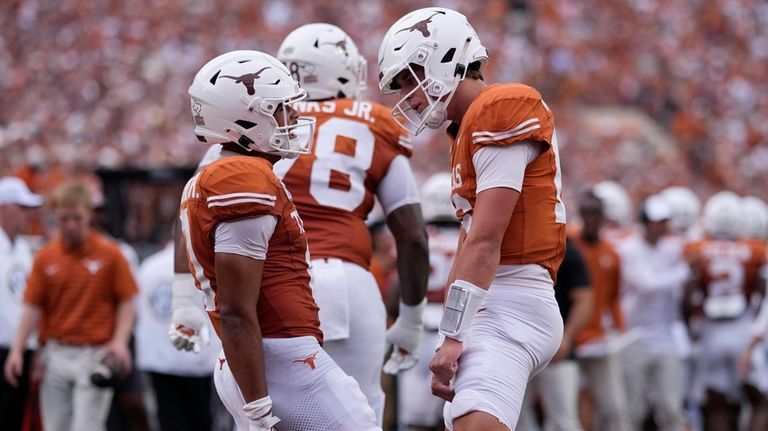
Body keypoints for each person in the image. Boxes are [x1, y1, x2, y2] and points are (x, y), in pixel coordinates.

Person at [172, 26, 430, 424]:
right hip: (332, 285)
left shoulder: (226, 154)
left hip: (279, 289)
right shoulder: (253, 158)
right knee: (357, 408)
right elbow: (411, 234)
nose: (295, 116)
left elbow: (189, 223)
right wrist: (412, 318)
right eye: (285, 107)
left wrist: (185, 301)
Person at [378, 7, 567, 430]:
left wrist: (452, 336)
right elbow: (469, 238)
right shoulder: (465, 125)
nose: (408, 93)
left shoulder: (501, 107)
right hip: (496, 300)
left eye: (410, 77)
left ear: (443, 57)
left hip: (513, 299)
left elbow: (485, 239)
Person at [3, 179, 137, 431]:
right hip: (56, 352)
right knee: (55, 427)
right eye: (64, 219)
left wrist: (120, 341)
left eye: (77, 218)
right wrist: (18, 350)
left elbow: (127, 301)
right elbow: (32, 306)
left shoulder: (111, 254)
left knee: (87, 426)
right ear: (55, 217)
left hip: (94, 352)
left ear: (89, 214)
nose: (71, 225)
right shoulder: (45, 257)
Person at [684, 191, 768, 431]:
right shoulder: (754, 249)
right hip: (742, 329)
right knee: (760, 401)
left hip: (711, 332)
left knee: (717, 405)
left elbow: (689, 294)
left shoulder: (697, 248)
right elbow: (760, 292)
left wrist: (693, 324)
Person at [616, 195, 689, 431]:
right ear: (645, 222)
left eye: (664, 221)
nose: (661, 226)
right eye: (656, 221)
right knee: (633, 408)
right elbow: (646, 285)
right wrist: (683, 273)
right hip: (634, 335)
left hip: (664, 335)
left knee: (670, 407)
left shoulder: (671, 250)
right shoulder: (629, 249)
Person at [396, 172, 461, 431]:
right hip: (457, 331)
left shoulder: (418, 237)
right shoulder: (469, 238)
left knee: (415, 421)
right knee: (454, 417)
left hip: (419, 328)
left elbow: (397, 287)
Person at [135, 242, 223, 431]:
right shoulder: (204, 266)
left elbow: (139, 312)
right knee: (200, 419)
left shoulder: (149, 266)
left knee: (168, 419)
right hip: (196, 358)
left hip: (158, 359)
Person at [571, 189, 632, 431]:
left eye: (596, 213)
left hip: (598, 337)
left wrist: (618, 328)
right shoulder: (568, 244)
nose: (592, 219)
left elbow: (613, 297)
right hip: (570, 337)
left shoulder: (611, 253)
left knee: (615, 407)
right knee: (572, 405)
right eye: (587, 213)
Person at [516, 238, 592, 431]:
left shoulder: (564, 248)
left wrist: (567, 338)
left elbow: (584, 299)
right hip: (516, 342)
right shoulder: (507, 243)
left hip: (556, 347)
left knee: (563, 420)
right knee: (516, 419)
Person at [0, 177, 44, 431]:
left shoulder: (24, 250)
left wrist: (34, 345)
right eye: (22, 208)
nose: (28, 215)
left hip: (19, 349)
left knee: (15, 417)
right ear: (4, 207)